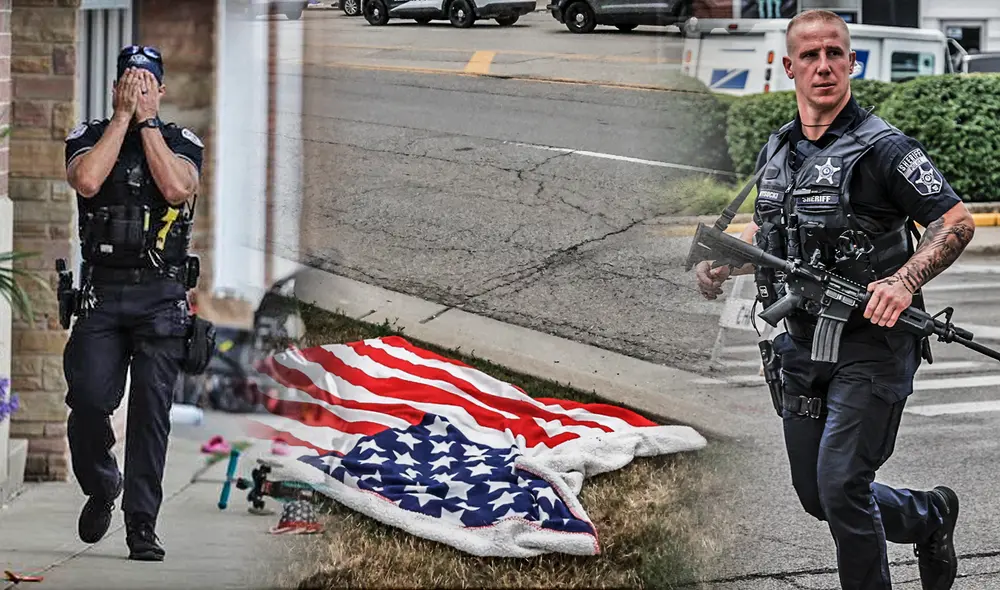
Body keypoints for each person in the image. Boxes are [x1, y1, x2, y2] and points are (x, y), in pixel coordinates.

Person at [694, 10, 974, 590]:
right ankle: (930, 516)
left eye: (835, 54)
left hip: (873, 344)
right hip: (800, 348)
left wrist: (903, 282)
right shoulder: (777, 153)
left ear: (852, 62)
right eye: (811, 55)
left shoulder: (884, 150)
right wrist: (727, 260)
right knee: (820, 495)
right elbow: (774, 237)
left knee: (843, 483)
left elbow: (955, 222)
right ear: (788, 65)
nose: (824, 66)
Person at [62, 45, 204, 562]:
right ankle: (102, 486)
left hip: (160, 297)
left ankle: (141, 525)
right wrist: (122, 119)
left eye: (148, 81)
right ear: (116, 86)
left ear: (161, 90)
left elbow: (174, 188)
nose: (139, 86)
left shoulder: (180, 142)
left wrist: (145, 124)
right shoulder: (88, 136)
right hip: (103, 295)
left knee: (150, 415)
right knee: (88, 402)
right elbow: (88, 180)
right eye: (130, 79)